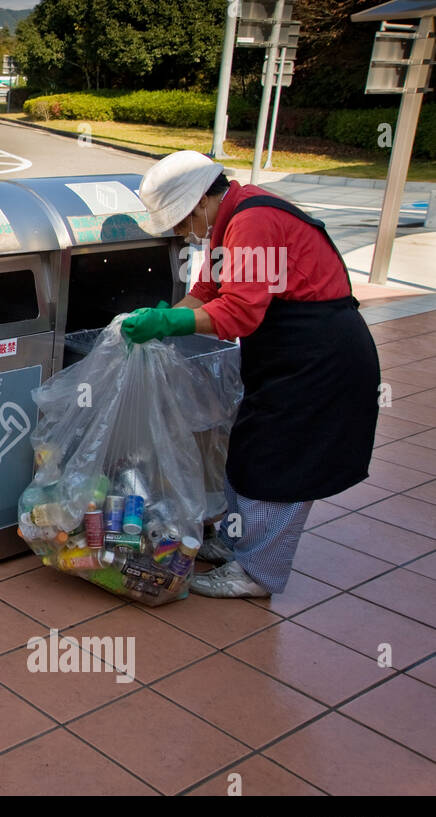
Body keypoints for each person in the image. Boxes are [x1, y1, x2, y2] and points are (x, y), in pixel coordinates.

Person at [123, 150, 380, 598]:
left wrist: (169, 325)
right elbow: (208, 290)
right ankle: (239, 542)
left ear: (204, 199)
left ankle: (258, 573)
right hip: (288, 352)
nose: (184, 232)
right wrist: (167, 318)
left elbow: (239, 311)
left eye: (183, 220)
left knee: (280, 458)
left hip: (320, 356)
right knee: (249, 444)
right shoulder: (234, 219)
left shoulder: (254, 220)